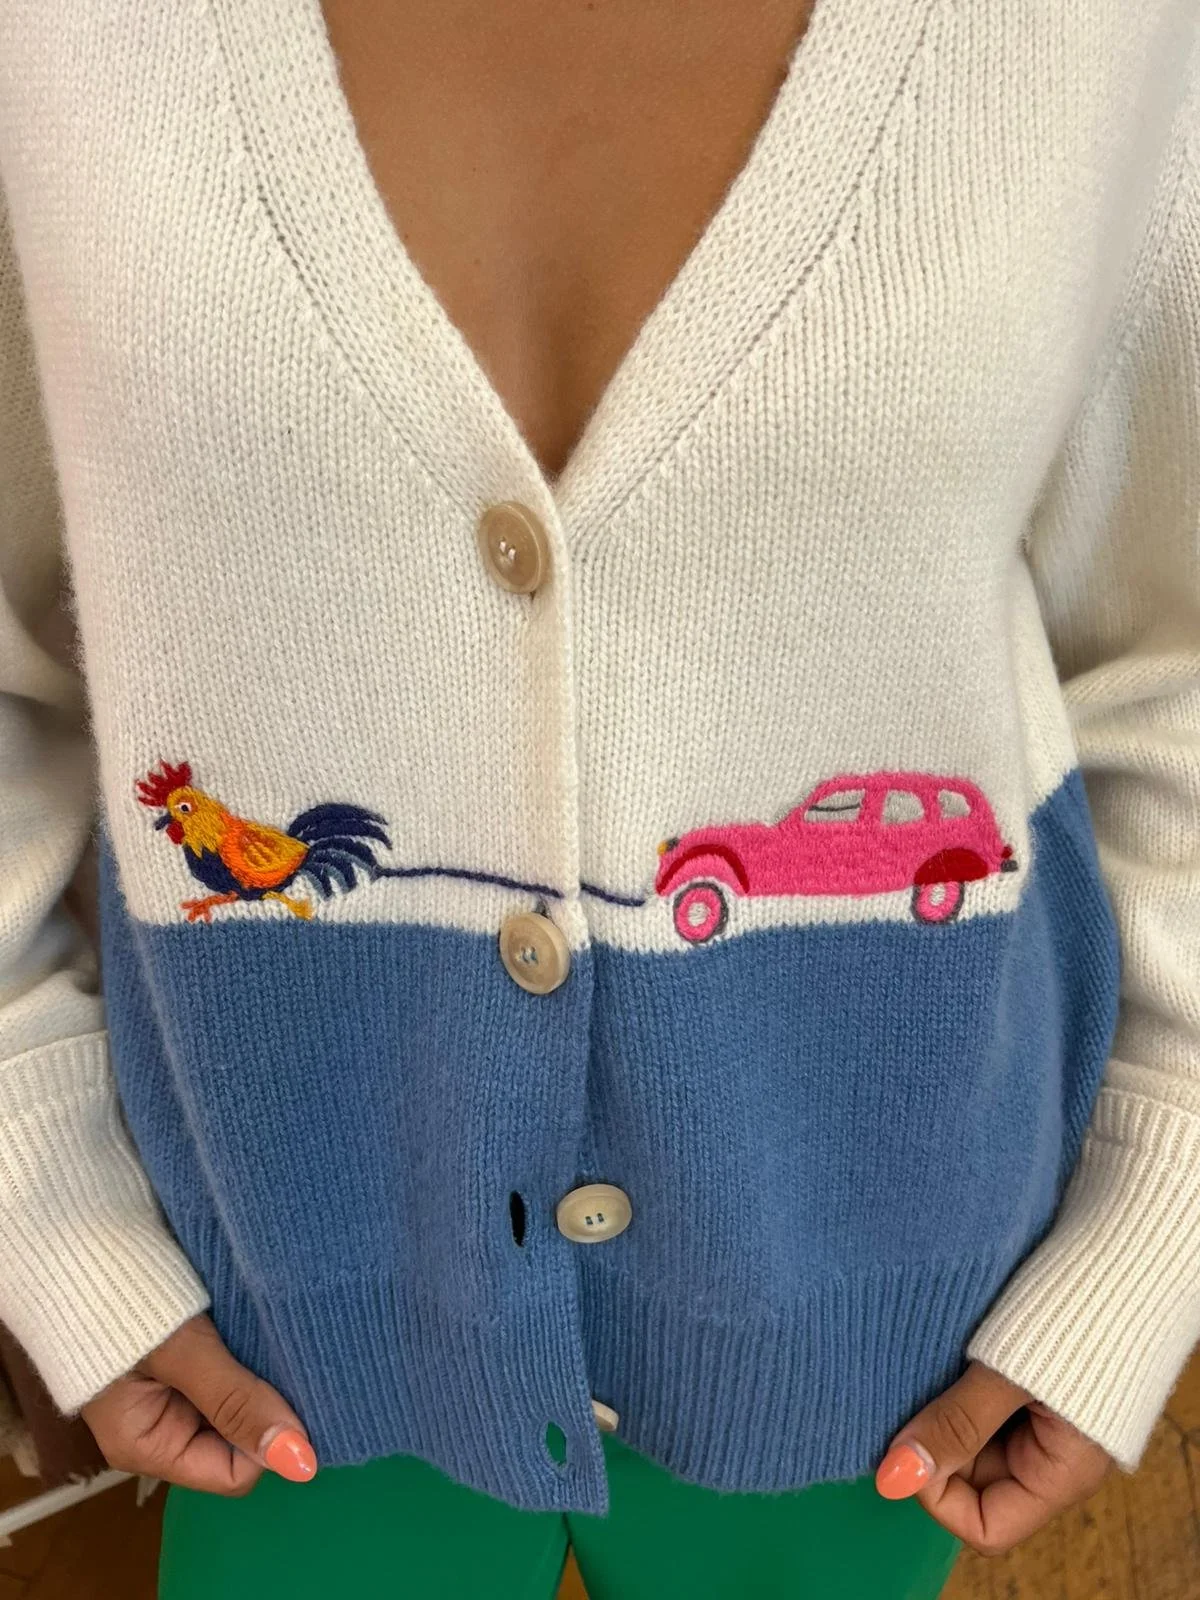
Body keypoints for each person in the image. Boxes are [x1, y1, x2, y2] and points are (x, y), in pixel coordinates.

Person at [0, 2, 1198, 1595]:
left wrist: (1160, 1197)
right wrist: (38, 1180)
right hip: (263, 1320)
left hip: (895, 1324)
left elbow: (1177, 645)